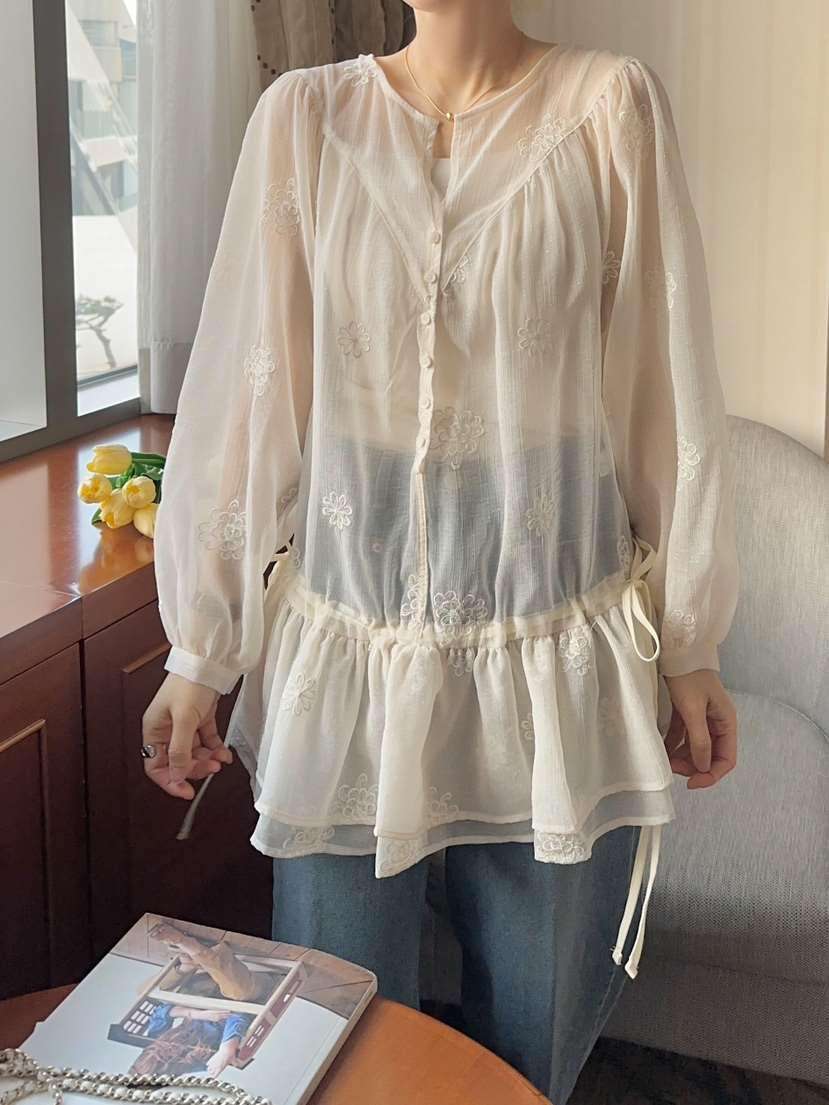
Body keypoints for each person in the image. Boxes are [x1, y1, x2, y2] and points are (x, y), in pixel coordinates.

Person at [143, 4, 740, 1101]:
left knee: (530, 1039)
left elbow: (662, 382)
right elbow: (250, 386)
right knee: (332, 1032)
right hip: (348, 650)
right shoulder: (304, 118)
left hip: (554, 647)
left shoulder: (608, 106)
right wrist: (202, 647)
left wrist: (689, 637)